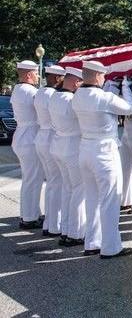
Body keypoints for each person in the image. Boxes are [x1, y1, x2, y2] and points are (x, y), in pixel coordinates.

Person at [72, 60, 132, 258]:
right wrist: (125, 87)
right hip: (104, 153)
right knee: (109, 200)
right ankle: (110, 247)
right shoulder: (104, 97)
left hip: (85, 150)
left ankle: (92, 243)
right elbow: (130, 109)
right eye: (102, 76)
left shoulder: (77, 96)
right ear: (98, 76)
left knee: (91, 199)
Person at [48, 66, 85, 245]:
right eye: (80, 82)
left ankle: (65, 229)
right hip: (72, 146)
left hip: (58, 145)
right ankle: (75, 233)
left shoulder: (54, 96)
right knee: (78, 189)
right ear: (75, 81)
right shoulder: (72, 99)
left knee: (67, 189)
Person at [33, 64, 66, 236]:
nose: (63, 81)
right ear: (55, 78)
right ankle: (55, 224)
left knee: (52, 183)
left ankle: (49, 222)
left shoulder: (39, 92)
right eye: (61, 78)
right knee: (57, 182)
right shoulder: (53, 94)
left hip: (42, 136)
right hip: (51, 136)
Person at [10, 60, 43, 229]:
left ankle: (30, 213)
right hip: (30, 136)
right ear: (29, 75)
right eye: (36, 73)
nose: (38, 76)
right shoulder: (31, 91)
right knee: (33, 178)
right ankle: (29, 217)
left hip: (22, 135)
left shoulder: (17, 89)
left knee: (29, 177)